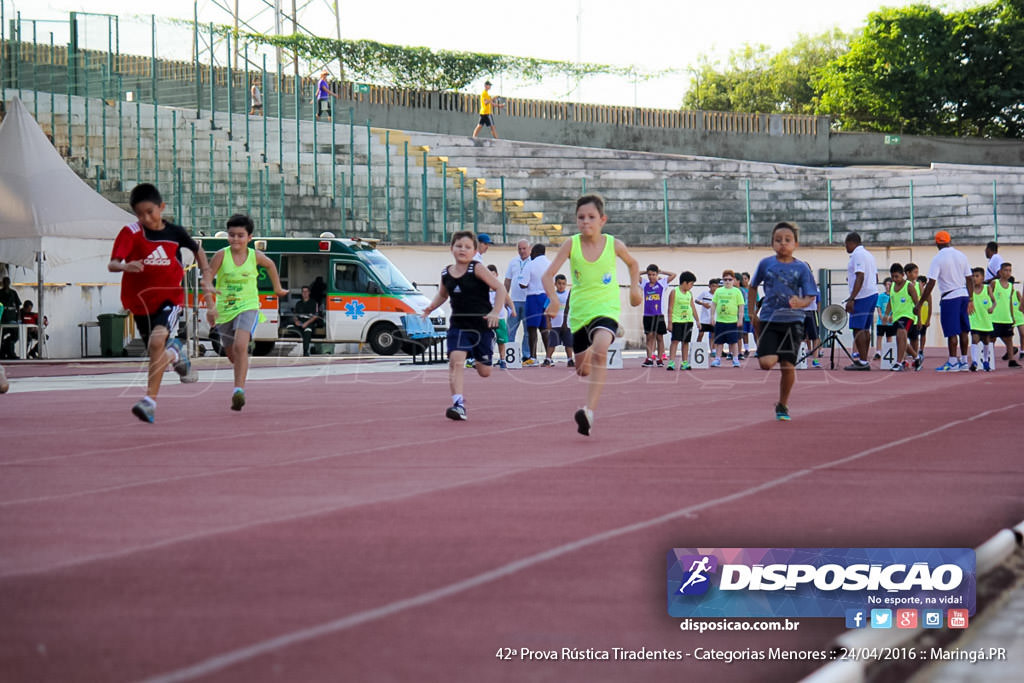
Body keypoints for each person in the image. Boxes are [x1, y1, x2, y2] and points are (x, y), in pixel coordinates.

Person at [108, 183, 214, 423]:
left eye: (150, 212)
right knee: (156, 352)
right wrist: (125, 266)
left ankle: (149, 401)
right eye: (140, 214)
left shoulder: (175, 233)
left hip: (169, 298)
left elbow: (197, 250)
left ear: (161, 207)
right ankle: (177, 354)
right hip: (139, 303)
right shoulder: (131, 232)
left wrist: (206, 275)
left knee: (157, 342)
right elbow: (113, 263)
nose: (146, 218)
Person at [542, 194, 641, 436]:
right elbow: (547, 275)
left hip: (606, 308)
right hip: (579, 314)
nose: (586, 222)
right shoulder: (571, 244)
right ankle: (609, 332)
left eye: (591, 217)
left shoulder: (613, 244)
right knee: (582, 370)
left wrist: (635, 288)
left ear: (602, 220)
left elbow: (633, 263)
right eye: (581, 218)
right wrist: (554, 300)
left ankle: (589, 411)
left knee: (600, 353)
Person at [421, 231, 506, 421]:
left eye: (468, 247)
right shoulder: (446, 273)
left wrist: (495, 311)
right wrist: (430, 307)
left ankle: (478, 354)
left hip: (481, 326)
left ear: (474, 251)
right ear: (451, 248)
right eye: (459, 246)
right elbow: (443, 295)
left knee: (485, 371)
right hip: (459, 325)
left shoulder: (477, 269)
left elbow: (500, 288)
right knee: (455, 360)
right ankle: (458, 404)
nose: (463, 250)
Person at [207, 214, 288, 410]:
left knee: (241, 345)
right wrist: (211, 306)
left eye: (240, 235)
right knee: (231, 353)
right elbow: (207, 279)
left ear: (249, 238)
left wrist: (277, 288)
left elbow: (270, 265)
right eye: (232, 235)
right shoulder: (221, 255)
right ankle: (240, 374)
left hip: (248, 305)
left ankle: (238, 390)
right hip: (225, 310)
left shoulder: (255, 256)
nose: (236, 239)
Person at [748, 222, 818, 421]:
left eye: (787, 240)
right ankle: (777, 351)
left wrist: (800, 302)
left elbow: (810, 296)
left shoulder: (802, 268)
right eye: (778, 240)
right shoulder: (766, 264)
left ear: (796, 243)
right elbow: (753, 286)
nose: (783, 244)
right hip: (770, 318)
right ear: (772, 243)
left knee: (788, 366)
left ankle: (782, 405)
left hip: (794, 321)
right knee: (766, 363)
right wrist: (752, 311)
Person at [914, 230, 972, 372]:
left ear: (936, 243)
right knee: (964, 331)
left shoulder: (938, 258)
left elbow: (931, 283)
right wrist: (971, 298)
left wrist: (920, 303)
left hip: (949, 296)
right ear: (949, 241)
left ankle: (952, 362)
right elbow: (969, 278)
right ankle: (964, 361)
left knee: (952, 332)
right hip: (964, 294)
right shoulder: (961, 255)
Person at [843, 232, 878, 370]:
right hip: (871, 293)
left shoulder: (857, 255)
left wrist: (852, 298)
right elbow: (875, 276)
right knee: (865, 329)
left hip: (862, 296)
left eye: (846, 244)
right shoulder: (869, 255)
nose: (845, 247)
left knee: (857, 329)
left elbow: (860, 276)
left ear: (852, 242)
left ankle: (863, 361)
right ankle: (864, 359)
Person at [519, 243, 552, 365]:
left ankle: (533, 357)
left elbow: (523, 283)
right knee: (544, 328)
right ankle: (549, 357)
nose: (530, 254)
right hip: (546, 296)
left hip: (533, 296)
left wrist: (523, 282)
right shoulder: (550, 264)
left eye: (532, 252)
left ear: (536, 252)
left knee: (532, 328)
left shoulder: (530, 264)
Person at [884, 264, 919, 371]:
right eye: (893, 277)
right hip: (897, 317)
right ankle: (916, 357)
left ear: (903, 275)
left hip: (908, 315)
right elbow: (891, 301)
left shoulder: (909, 286)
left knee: (901, 334)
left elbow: (917, 303)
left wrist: (920, 320)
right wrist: (886, 314)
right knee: (901, 339)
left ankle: (899, 363)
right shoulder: (893, 287)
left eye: (897, 277)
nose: (894, 279)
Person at [988, 262, 1022, 369]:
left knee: (1009, 340)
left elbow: (1010, 303)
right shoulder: (995, 283)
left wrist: (1012, 317)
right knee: (991, 340)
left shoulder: (1011, 286)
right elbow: (988, 297)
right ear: (1000, 272)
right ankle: (988, 360)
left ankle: (1011, 360)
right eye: (1005, 270)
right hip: (995, 317)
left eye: (1009, 270)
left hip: (1006, 317)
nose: (1008, 273)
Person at [639, 264, 675, 367]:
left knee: (659, 337)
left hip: (658, 315)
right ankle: (649, 358)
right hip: (647, 315)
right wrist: (645, 272)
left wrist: (661, 271)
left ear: (657, 274)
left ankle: (660, 359)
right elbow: (636, 274)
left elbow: (673, 275)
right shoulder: (645, 284)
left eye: (654, 274)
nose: (651, 277)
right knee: (649, 337)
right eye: (649, 275)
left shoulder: (662, 283)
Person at [503, 239, 531, 363]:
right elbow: (507, 280)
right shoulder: (513, 262)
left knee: (527, 331)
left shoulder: (533, 262)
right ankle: (508, 356)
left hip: (528, 301)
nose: (522, 251)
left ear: (529, 248)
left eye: (524, 248)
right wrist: (505, 297)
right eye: (519, 249)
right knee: (510, 329)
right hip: (513, 301)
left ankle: (526, 355)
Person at [710, 269, 745, 368]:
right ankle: (717, 359)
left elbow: (741, 305)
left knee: (733, 341)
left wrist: (740, 319)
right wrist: (712, 317)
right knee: (719, 341)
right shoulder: (719, 291)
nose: (727, 282)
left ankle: (735, 359)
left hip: (732, 321)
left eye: (729, 279)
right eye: (725, 279)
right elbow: (713, 304)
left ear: (733, 280)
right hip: (720, 321)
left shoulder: (737, 291)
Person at [666, 271, 699, 370]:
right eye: (691, 284)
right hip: (677, 321)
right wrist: (670, 323)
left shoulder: (689, 294)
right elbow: (670, 308)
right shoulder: (674, 292)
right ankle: (671, 362)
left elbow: (692, 307)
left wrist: (697, 320)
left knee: (686, 342)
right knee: (675, 341)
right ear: (685, 282)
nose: (692, 286)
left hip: (688, 321)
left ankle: (684, 362)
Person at [967, 267, 995, 372]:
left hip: (985, 319)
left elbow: (994, 301)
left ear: (983, 278)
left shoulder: (987, 288)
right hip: (974, 318)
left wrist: (992, 307)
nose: (975, 278)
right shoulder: (970, 290)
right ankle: (974, 361)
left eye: (977, 276)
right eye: (973, 276)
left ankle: (986, 361)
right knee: (975, 339)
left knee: (986, 341)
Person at [545, 273, 575, 367]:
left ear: (566, 284)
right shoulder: (552, 295)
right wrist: (548, 322)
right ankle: (548, 359)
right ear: (555, 284)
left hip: (567, 324)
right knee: (552, 343)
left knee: (568, 343)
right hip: (555, 324)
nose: (561, 286)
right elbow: (546, 310)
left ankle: (570, 360)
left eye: (563, 283)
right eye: (559, 283)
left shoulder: (569, 295)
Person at [486, 264, 511, 368]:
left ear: (496, 275)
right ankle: (487, 358)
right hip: (488, 318)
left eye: (493, 274)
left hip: (500, 318)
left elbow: (507, 299)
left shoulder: (500, 287)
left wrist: (511, 309)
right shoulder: (483, 289)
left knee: (501, 340)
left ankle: (502, 359)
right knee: (487, 339)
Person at [288, 286, 321, 357]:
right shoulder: (298, 303)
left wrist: (306, 323)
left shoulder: (314, 303)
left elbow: (315, 316)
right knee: (289, 327)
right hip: (300, 322)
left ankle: (305, 352)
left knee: (307, 331)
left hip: (309, 322)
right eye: (303, 292)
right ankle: (300, 333)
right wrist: (296, 321)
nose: (305, 293)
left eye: (306, 291)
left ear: (309, 293)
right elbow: (295, 315)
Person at [0, 276, 22, 360]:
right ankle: (2, 353)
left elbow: (18, 306)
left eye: (7, 282)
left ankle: (10, 352)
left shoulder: (13, 292)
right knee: (1, 335)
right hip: (3, 317)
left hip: (12, 316)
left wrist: (19, 317)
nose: (6, 283)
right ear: (2, 283)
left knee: (15, 335)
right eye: (4, 282)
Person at [695, 278, 718, 351]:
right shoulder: (705, 293)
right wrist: (703, 304)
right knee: (701, 334)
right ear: (709, 286)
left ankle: (713, 350)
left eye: (716, 286)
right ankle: (697, 348)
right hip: (704, 319)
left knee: (713, 335)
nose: (714, 288)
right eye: (713, 286)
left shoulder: (718, 295)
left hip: (713, 319)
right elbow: (696, 300)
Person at [873, 277, 893, 361]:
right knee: (879, 336)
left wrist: (891, 317)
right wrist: (881, 317)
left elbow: (895, 308)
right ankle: (878, 352)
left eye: (890, 284)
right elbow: (879, 307)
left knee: (889, 337)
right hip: (881, 322)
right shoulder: (881, 296)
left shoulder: (893, 296)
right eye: (887, 284)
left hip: (890, 321)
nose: (888, 286)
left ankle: (889, 352)